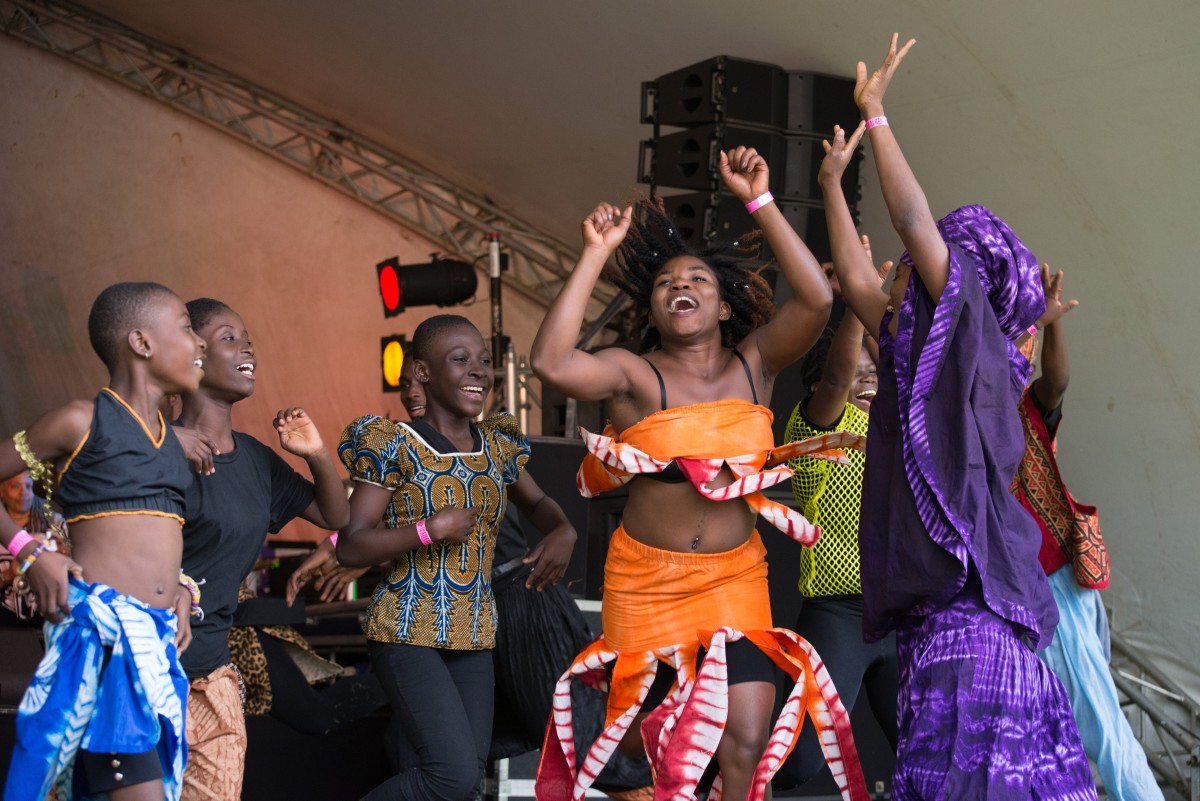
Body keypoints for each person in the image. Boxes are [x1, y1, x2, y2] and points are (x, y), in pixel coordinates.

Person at [531, 148, 869, 801]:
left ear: (721, 307)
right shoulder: (633, 374)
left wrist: (761, 200)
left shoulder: (755, 363)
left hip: (734, 580)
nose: (678, 285)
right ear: (653, 310)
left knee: (745, 742)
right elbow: (550, 360)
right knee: (655, 748)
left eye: (697, 280)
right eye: (664, 283)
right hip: (646, 584)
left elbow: (817, 297)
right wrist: (596, 252)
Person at [819, 33, 1095, 799]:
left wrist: (877, 118)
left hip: (974, 615)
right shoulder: (919, 349)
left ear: (964, 281)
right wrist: (829, 186)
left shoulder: (967, 335)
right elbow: (853, 279)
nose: (904, 270)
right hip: (945, 619)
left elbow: (912, 221)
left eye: (922, 264)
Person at [337, 314, 578, 801]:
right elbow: (352, 544)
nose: (478, 371)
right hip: (407, 629)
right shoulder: (393, 444)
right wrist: (430, 529)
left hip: (475, 632)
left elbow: (540, 505)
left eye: (484, 361)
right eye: (460, 360)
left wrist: (563, 529)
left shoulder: (497, 444)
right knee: (449, 776)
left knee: (464, 783)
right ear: (423, 372)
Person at [1, 281, 206, 801]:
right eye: (185, 328)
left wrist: (178, 589)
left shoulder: (170, 441)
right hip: (106, 645)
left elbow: (148, 539)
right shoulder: (80, 421)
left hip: (155, 649)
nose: (198, 342)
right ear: (140, 343)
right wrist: (31, 552)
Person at [171, 297, 350, 801]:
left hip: (211, 674)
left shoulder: (254, 459)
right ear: (195, 354)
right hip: (146, 669)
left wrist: (316, 453)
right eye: (230, 338)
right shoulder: (156, 446)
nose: (248, 347)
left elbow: (336, 519)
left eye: (248, 337)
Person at [1011, 268, 1163, 800]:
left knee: (1100, 727)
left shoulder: (1022, 410)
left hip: (1055, 586)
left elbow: (1054, 385)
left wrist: (1051, 327)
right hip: (1016, 596)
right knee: (1048, 738)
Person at [773, 242, 900, 791]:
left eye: (877, 369)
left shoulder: (904, 434)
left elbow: (900, 366)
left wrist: (878, 316)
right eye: (860, 371)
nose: (867, 377)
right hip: (840, 613)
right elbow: (835, 380)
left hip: (905, 615)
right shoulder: (817, 429)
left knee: (931, 751)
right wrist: (853, 306)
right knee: (801, 763)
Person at [0, 471, 67, 626]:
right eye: (15, 486)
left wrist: (57, 556)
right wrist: (9, 574)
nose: (23, 492)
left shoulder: (56, 523)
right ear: (1, 491)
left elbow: (75, 566)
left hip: (48, 612)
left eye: (28, 486)